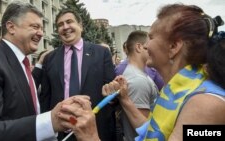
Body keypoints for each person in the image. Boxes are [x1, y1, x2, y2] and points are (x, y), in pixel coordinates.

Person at [58, 3, 225, 141]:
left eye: (151, 38)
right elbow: (151, 130)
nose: (146, 46)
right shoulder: (176, 90)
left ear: (174, 46)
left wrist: (91, 137)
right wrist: (125, 99)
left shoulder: (205, 104)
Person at [0, 1, 90, 141]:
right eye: (35, 27)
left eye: (42, 28)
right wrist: (50, 122)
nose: (41, 33)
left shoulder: (23, 63)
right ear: (11, 27)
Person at [39, 8, 116, 141]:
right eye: (60, 25)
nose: (65, 27)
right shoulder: (50, 58)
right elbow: (46, 98)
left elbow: (112, 94)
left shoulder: (101, 53)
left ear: (80, 26)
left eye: (69, 22)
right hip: (61, 132)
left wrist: (114, 93)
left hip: (94, 131)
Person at [117, 30, 158, 141]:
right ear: (139, 47)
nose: (153, 50)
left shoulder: (140, 75)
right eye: (149, 46)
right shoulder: (138, 80)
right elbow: (141, 127)